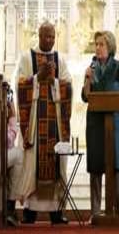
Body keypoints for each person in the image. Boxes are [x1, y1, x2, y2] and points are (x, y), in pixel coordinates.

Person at [15, 22, 72, 224]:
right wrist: (38, 78)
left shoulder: (60, 59)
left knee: (56, 163)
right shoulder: (26, 57)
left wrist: (55, 82)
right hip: (34, 120)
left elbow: (68, 85)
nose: (50, 40)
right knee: (32, 164)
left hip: (54, 122)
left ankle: (56, 212)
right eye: (46, 36)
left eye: (53, 36)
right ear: (38, 35)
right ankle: (30, 212)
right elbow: (20, 85)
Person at [81, 29, 119, 218]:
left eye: (101, 44)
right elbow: (85, 96)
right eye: (96, 44)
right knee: (96, 168)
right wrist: (87, 79)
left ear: (109, 46)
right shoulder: (91, 68)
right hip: (96, 124)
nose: (98, 47)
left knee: (115, 167)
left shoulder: (117, 67)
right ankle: (95, 212)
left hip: (115, 124)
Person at [4, 81, 24, 227]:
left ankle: (10, 208)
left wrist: (11, 116)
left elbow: (10, 140)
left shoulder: (9, 114)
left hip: (1, 155)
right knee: (18, 155)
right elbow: (6, 140)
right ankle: (9, 209)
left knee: (18, 154)